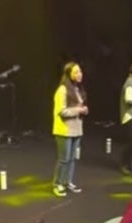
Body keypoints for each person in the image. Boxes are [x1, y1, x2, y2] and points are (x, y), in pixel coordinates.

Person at [52, 62, 87, 197]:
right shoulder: (62, 90)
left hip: (76, 129)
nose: (79, 74)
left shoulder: (77, 89)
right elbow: (62, 111)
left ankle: (67, 181)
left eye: (80, 71)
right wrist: (78, 110)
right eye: (76, 72)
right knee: (64, 159)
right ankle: (57, 184)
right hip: (64, 130)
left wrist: (83, 110)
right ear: (68, 74)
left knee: (72, 158)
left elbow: (78, 107)